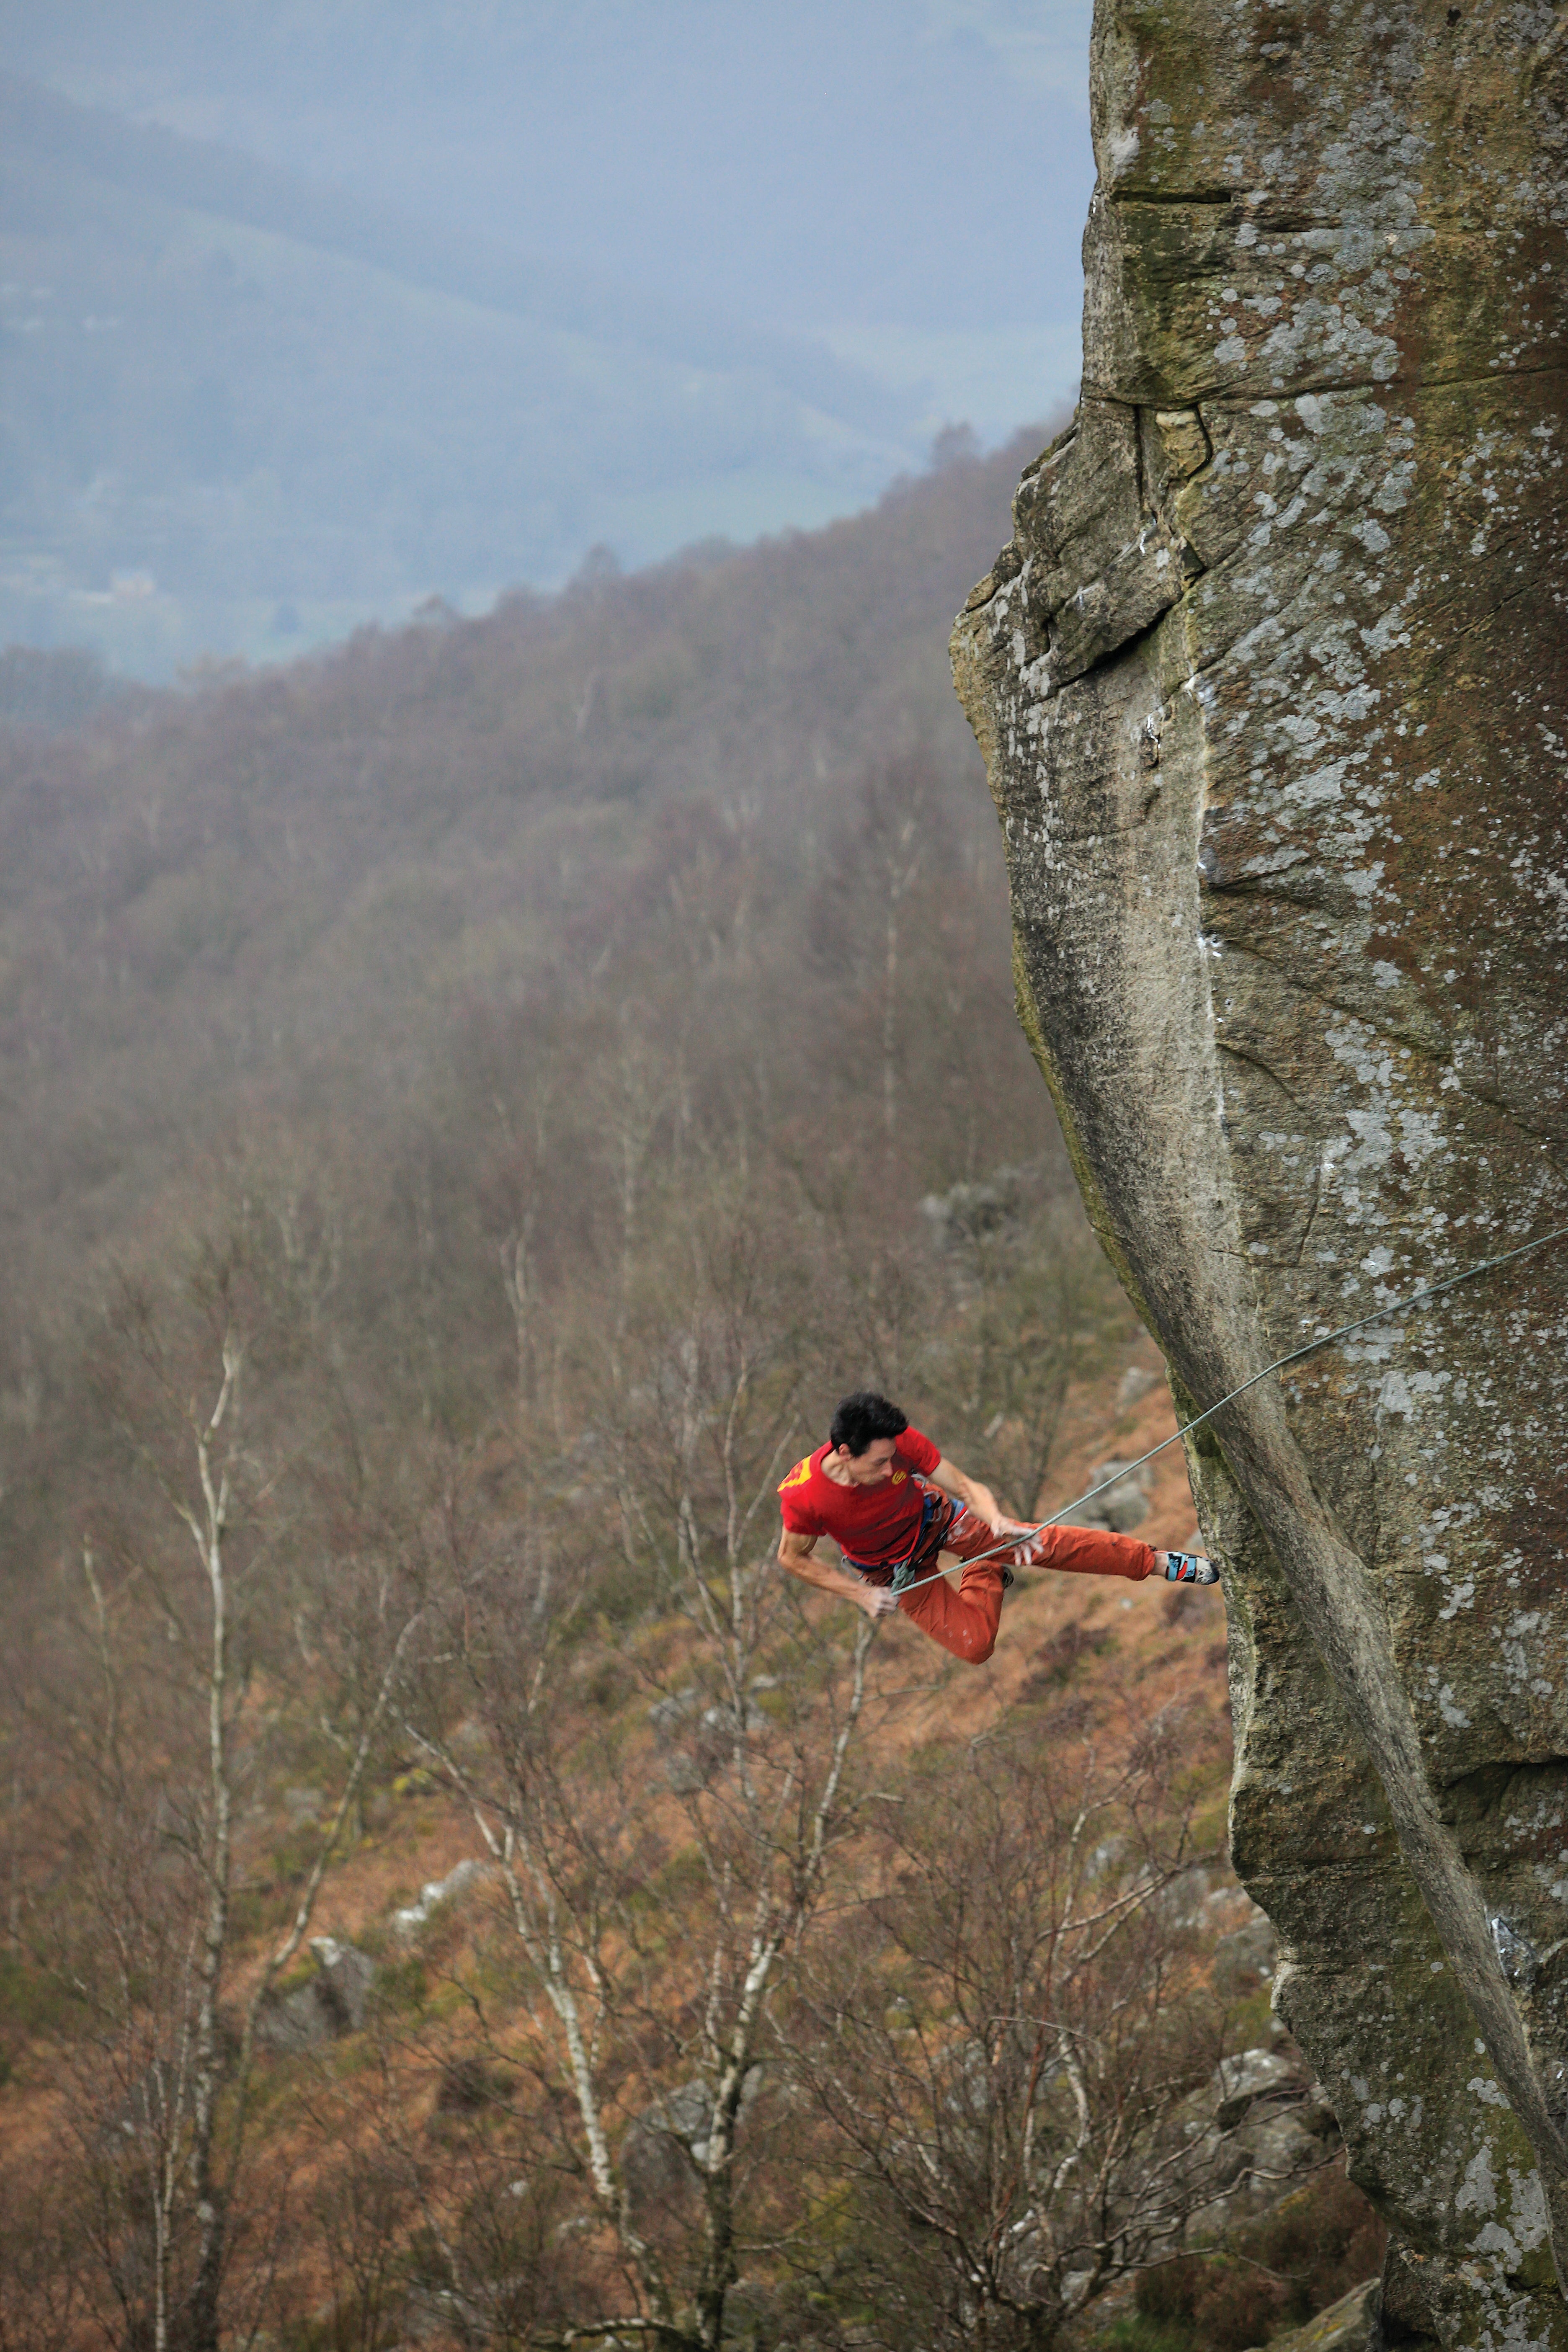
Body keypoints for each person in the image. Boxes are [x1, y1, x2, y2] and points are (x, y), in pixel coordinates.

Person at [776, 1389, 1217, 1666]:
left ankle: (1158, 1562)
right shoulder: (804, 1496)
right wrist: (861, 1595)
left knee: (1041, 1544)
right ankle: (984, 1569)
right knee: (975, 1647)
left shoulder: (900, 1442)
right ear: (845, 1453)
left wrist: (997, 1521)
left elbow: (965, 1484)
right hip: (892, 1570)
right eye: (879, 1463)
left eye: (893, 1456)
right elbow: (792, 1558)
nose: (891, 1466)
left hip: (939, 1521)